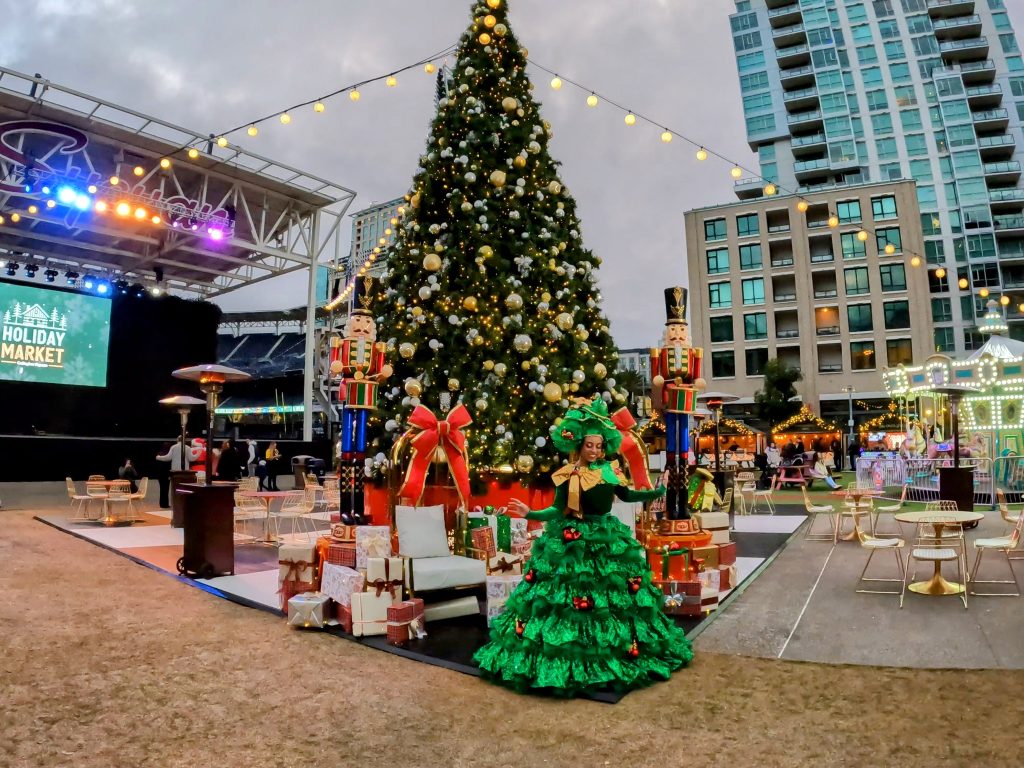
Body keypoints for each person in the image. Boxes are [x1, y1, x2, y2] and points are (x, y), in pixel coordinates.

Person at [474, 396, 692, 697]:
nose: (595, 450)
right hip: (572, 540)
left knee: (613, 598)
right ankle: (571, 655)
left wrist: (658, 490)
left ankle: (615, 651)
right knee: (567, 598)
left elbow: (626, 496)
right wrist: (531, 514)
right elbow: (557, 510)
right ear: (578, 443)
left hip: (607, 538)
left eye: (599, 445)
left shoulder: (610, 470)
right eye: (590, 445)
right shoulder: (567, 475)